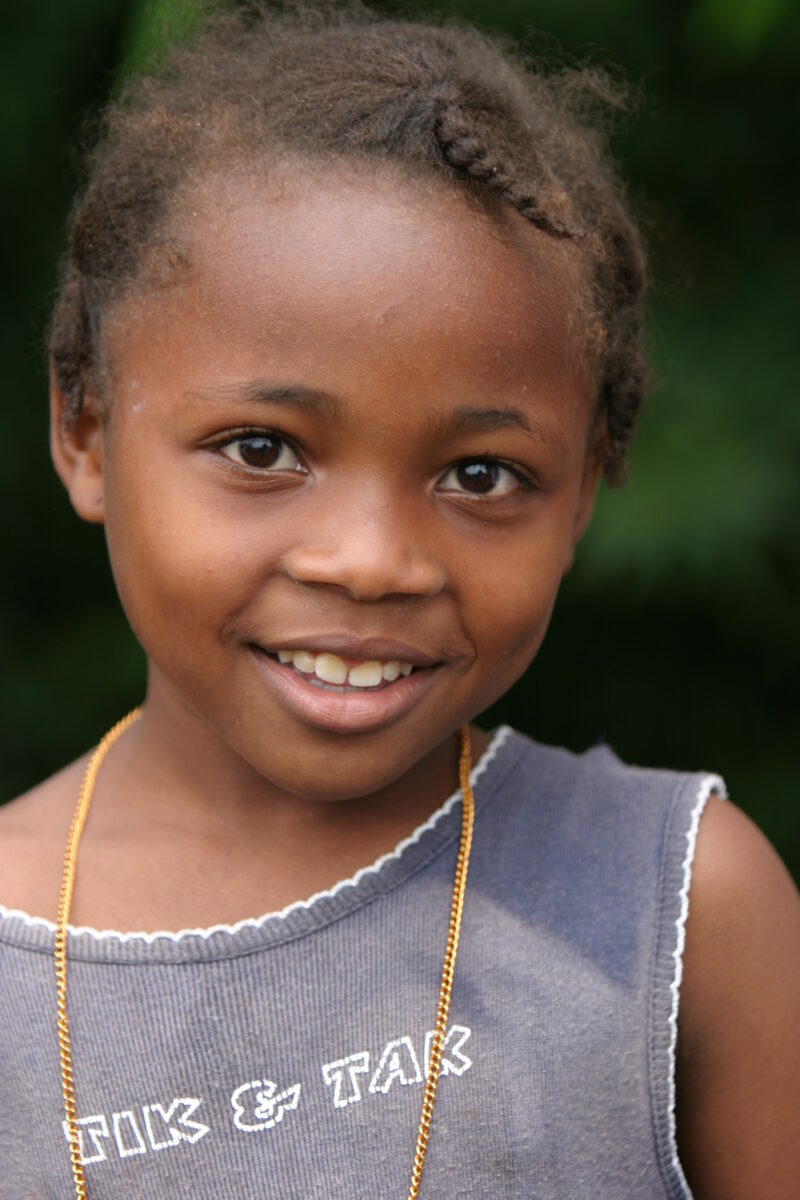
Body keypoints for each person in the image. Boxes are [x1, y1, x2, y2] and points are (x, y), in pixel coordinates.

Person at [0, 2, 798, 1196]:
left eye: (480, 476)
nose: (371, 561)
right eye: (261, 449)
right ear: (86, 432)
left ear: (582, 491)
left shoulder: (673, 906)